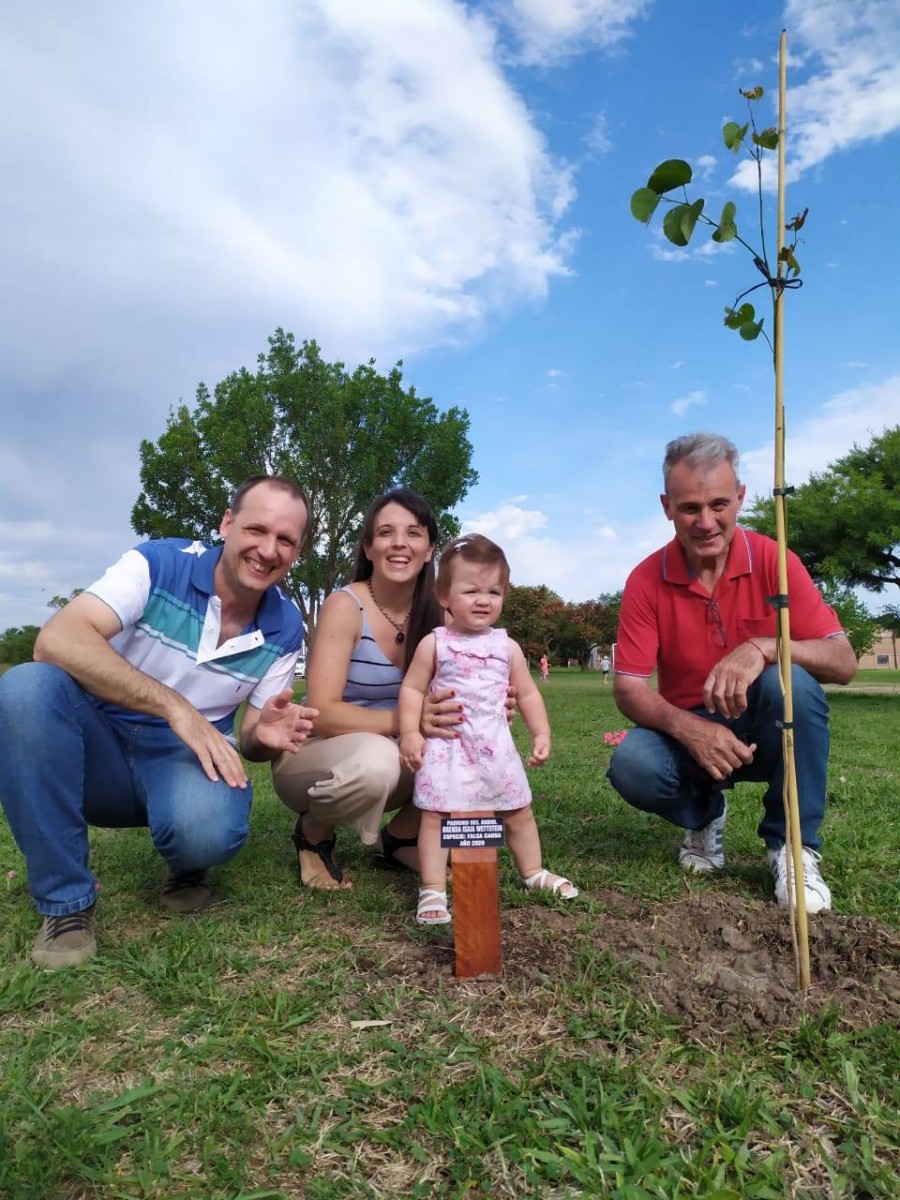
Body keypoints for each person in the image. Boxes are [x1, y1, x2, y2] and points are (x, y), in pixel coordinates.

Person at [0, 476, 317, 969]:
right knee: (25, 687)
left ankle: (188, 865)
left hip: (182, 757)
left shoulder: (286, 626)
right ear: (227, 523)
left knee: (208, 831)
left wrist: (262, 736)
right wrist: (176, 708)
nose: (267, 550)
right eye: (257, 529)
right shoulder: (157, 563)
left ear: (297, 552)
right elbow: (57, 641)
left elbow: (252, 740)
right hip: (96, 739)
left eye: (285, 540)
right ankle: (66, 904)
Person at [606, 433, 857, 914]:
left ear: (740, 497)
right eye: (689, 508)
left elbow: (843, 661)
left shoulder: (774, 560)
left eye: (719, 504)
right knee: (632, 763)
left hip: (765, 730)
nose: (706, 522)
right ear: (666, 507)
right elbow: (628, 688)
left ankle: (792, 847)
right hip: (688, 737)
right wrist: (690, 728)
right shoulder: (645, 578)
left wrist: (764, 647)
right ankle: (703, 816)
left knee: (794, 683)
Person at [272, 488, 466, 889]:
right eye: (386, 533)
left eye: (414, 533)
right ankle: (312, 833)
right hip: (314, 755)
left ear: (430, 549)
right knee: (379, 759)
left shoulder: (441, 614)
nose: (399, 543)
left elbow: (458, 695)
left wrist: (490, 706)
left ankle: (400, 839)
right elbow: (322, 712)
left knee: (477, 743)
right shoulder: (346, 606)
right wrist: (408, 721)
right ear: (369, 547)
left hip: (396, 749)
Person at [398, 534, 578, 925]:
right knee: (436, 817)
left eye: (494, 591)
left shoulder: (506, 646)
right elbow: (412, 689)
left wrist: (541, 732)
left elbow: (527, 693)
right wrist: (411, 732)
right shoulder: (436, 644)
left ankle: (532, 871)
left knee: (518, 811)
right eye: (471, 590)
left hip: (496, 748)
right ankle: (432, 888)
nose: (483, 600)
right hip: (447, 749)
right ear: (444, 595)